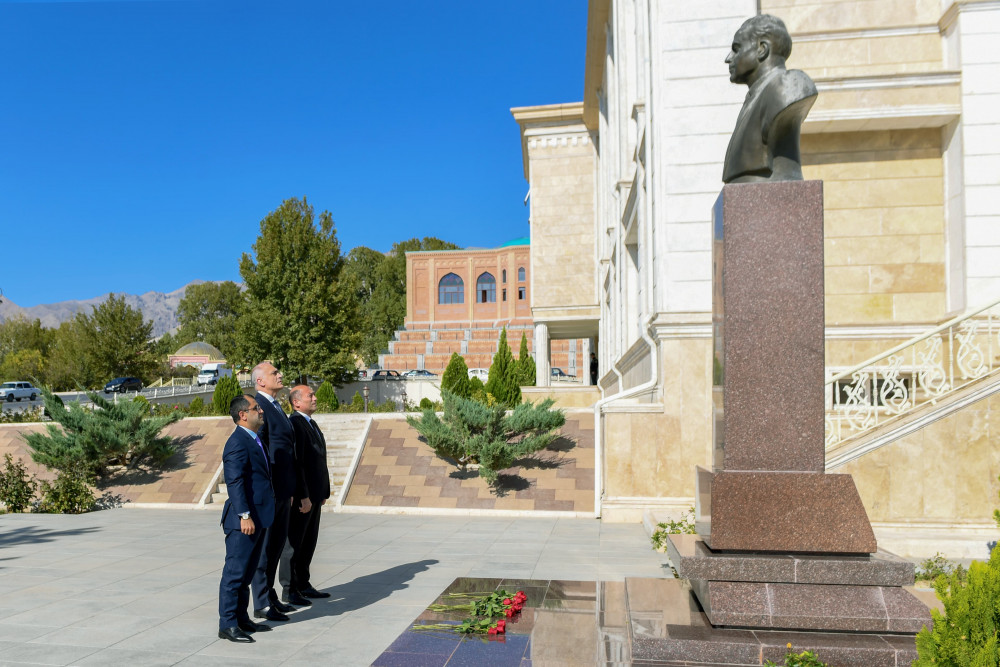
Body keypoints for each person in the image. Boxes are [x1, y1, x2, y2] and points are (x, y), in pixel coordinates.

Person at [722, 14, 817, 184]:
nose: (728, 58)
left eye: (737, 49)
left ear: (762, 49)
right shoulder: (754, 98)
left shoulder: (788, 86)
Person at [250, 362, 308, 621]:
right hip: (272, 490)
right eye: (274, 373)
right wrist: (271, 488)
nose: (280, 374)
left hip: (284, 490)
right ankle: (261, 602)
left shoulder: (275, 406)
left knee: (275, 548)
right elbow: (261, 451)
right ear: (260, 381)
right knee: (265, 550)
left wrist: (292, 489)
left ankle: (270, 596)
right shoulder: (259, 407)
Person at [217, 394, 275, 643]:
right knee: (235, 573)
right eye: (256, 408)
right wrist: (244, 515)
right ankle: (227, 624)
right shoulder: (237, 442)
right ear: (243, 415)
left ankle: (241, 619)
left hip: (259, 517)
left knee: (247, 573)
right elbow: (235, 481)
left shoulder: (254, 438)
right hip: (243, 521)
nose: (260, 411)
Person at [278, 384, 332, 601]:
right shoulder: (296, 424)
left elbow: (318, 460)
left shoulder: (310, 423)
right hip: (304, 497)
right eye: (310, 395)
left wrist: (322, 492)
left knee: (309, 541)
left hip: (315, 495)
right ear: (296, 402)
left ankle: (303, 582)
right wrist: (304, 495)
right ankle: (289, 589)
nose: (315, 398)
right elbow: (297, 463)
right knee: (294, 543)